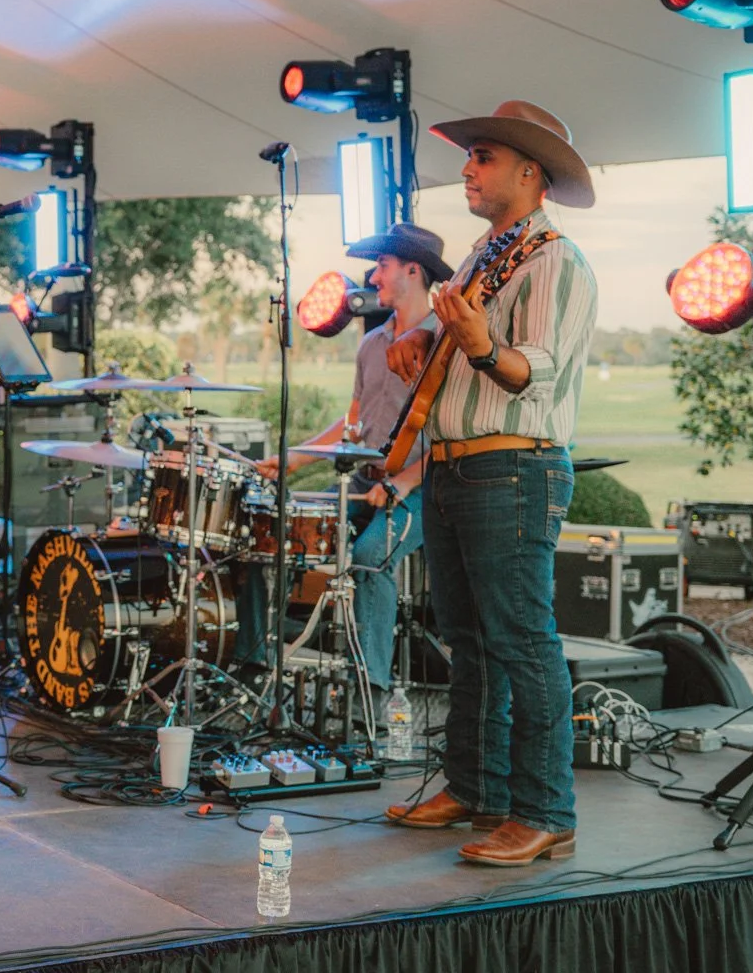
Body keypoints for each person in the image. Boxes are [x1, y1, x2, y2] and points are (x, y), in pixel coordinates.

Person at [381, 101, 598, 868]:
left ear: (529, 172)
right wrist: (419, 344)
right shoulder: (484, 256)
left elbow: (529, 371)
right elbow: (455, 347)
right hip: (455, 466)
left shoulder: (555, 261)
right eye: (469, 157)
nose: (467, 169)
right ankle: (477, 789)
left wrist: (477, 347)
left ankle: (545, 813)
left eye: (483, 157)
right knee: (468, 642)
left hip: (513, 468)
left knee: (521, 643)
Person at [236, 224, 452, 693]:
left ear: (413, 271)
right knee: (267, 530)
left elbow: (450, 436)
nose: (373, 277)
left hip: (423, 489)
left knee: (370, 555)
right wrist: (294, 458)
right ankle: (252, 669)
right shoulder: (372, 344)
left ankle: (370, 688)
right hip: (364, 484)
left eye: (383, 266)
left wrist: (404, 482)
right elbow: (353, 421)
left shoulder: (445, 344)